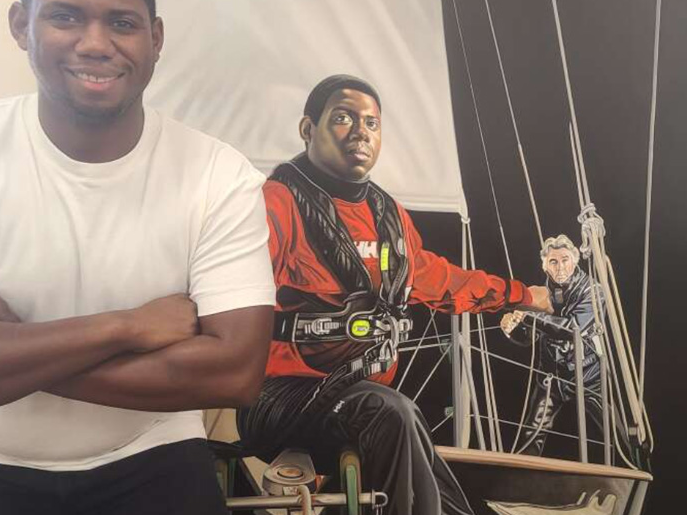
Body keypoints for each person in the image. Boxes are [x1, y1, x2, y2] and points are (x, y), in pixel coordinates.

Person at [0, 0, 275, 515]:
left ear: (155, 38)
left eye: (122, 23)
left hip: (152, 452)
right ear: (21, 24)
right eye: (66, 17)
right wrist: (123, 327)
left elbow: (234, 373)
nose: (96, 44)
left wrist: (5, 338)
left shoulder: (218, 175)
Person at [237, 74, 553, 515]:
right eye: (343, 118)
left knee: (422, 460)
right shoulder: (276, 204)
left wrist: (522, 295)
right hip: (278, 400)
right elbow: (230, 296)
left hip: (361, 400)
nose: (360, 132)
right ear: (308, 129)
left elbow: (441, 280)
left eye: (372, 123)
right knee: (393, 414)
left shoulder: (389, 216)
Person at [500, 234, 606, 457]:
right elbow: (528, 338)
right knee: (532, 433)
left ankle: (635, 463)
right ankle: (522, 473)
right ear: (545, 266)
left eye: (565, 260)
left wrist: (531, 317)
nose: (560, 267)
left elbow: (574, 329)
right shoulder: (540, 294)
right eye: (553, 262)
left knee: (610, 429)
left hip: (587, 375)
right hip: (550, 375)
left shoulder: (592, 290)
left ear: (574, 260)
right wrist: (512, 328)